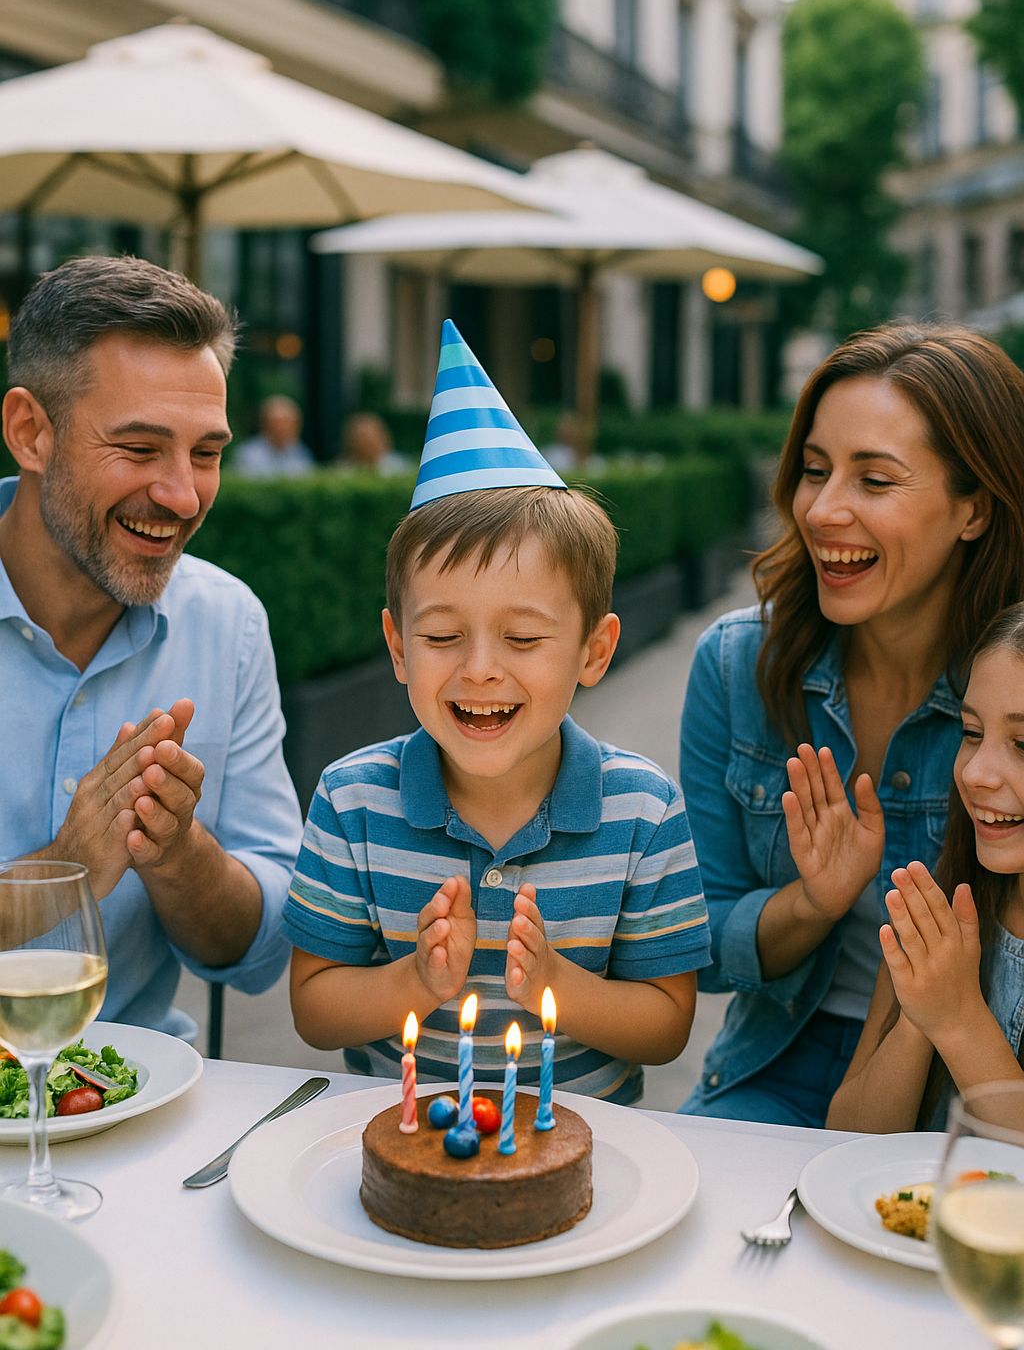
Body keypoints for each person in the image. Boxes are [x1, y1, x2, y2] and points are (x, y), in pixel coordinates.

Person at [285, 320, 710, 1104]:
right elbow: (314, 1005)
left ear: (594, 649)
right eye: (443, 634)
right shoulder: (353, 801)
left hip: (587, 1157)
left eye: (522, 636)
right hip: (398, 1156)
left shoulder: (642, 810)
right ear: (398, 646)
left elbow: (667, 1023)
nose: (480, 668)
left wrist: (554, 982)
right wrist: (415, 980)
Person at [678, 322, 1024, 1126]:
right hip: (775, 1056)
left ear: (972, 508)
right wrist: (813, 901)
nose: (823, 510)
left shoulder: (1011, 686)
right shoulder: (736, 665)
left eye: (875, 480)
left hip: (969, 1076)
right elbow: (698, 947)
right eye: (813, 471)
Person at [0, 256, 303, 1038]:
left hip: (138, 1107)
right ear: (30, 433)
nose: (181, 494)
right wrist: (59, 873)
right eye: (140, 449)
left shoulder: (226, 622)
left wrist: (178, 853)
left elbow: (262, 951)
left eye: (206, 453)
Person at [828, 603, 1024, 1132]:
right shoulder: (943, 904)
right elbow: (847, 1135)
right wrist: (919, 1018)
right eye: (972, 732)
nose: (978, 773)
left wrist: (958, 1019)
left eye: (1022, 744)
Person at [232, 394, 314, 478]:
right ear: (265, 425)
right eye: (279, 423)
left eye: (289, 423)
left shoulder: (302, 453)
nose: (284, 428)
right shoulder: (248, 455)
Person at [337, 410, 408, 476]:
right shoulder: (342, 471)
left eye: (373, 438)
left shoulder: (397, 466)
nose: (369, 445)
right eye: (363, 439)